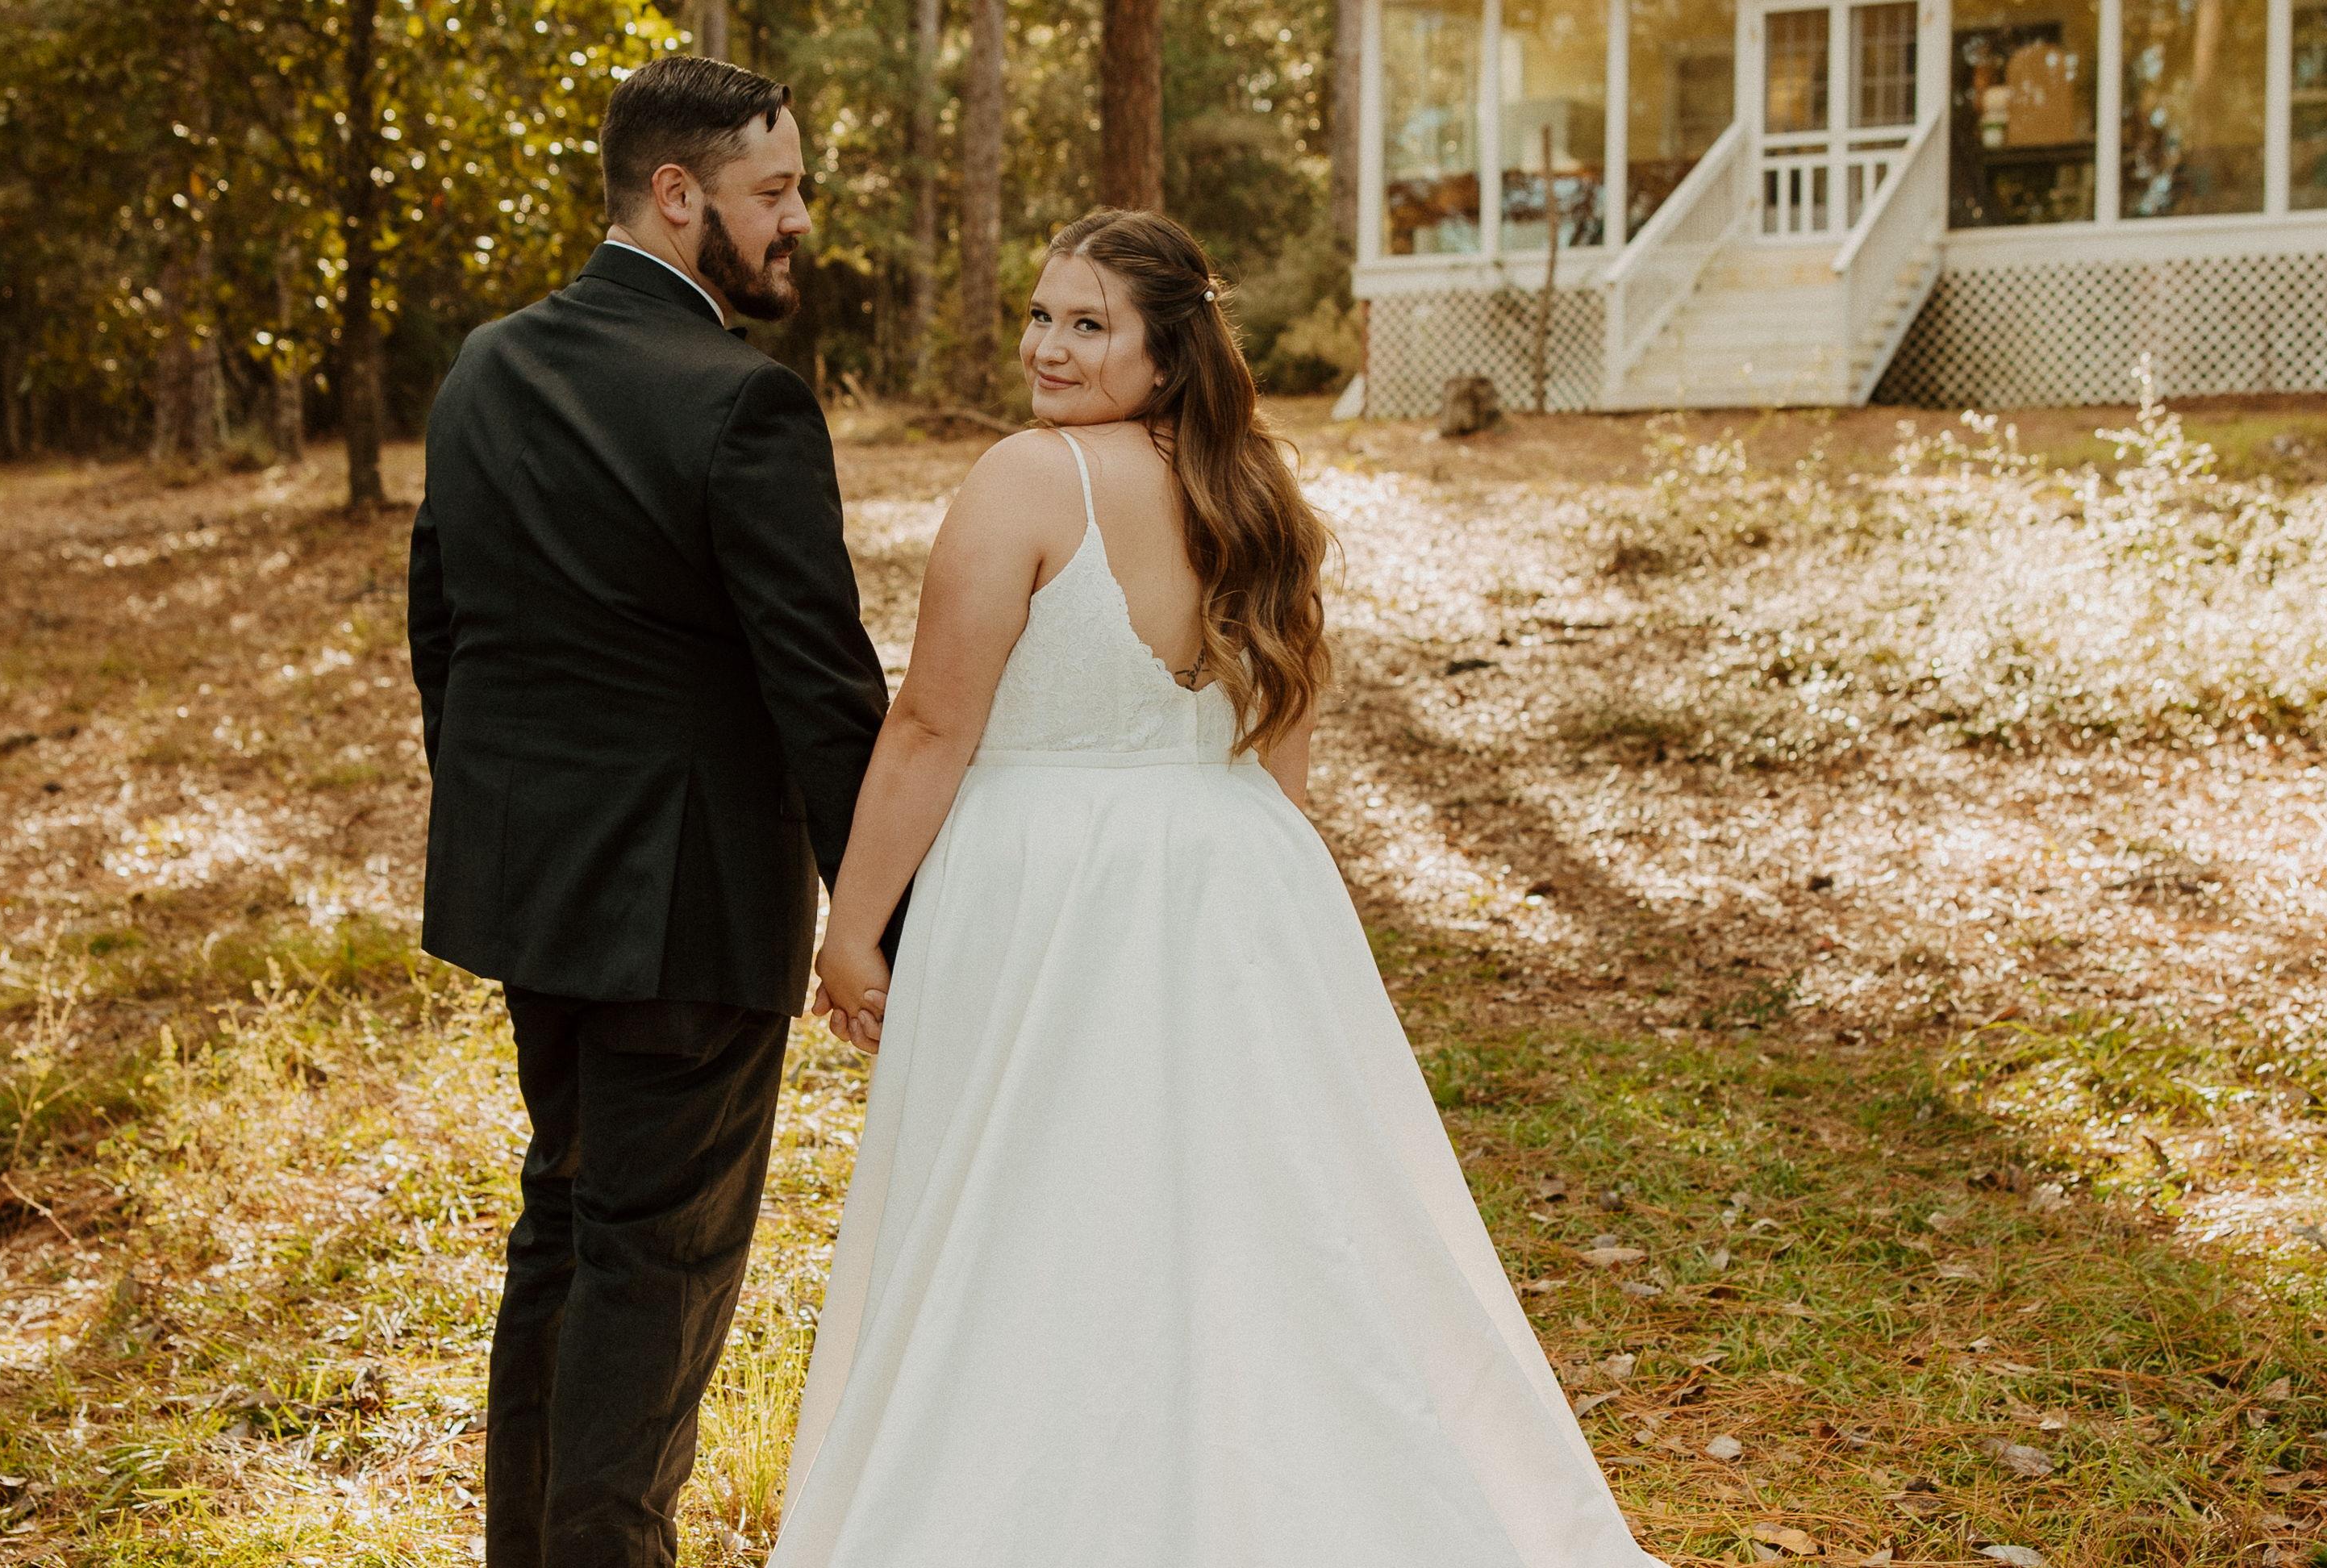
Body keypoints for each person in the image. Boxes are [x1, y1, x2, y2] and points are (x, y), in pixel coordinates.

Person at [772, 208, 1664, 1565]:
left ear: (1168, 350)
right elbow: (1280, 751)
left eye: (1091, 324)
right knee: (1253, 1210)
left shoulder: (1027, 478)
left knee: (1035, 1207)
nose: (1048, 346)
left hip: (1050, 889)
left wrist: (853, 929)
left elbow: (933, 724)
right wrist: (1260, 910)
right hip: (1239, 877)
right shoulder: (1257, 494)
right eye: (1042, 315)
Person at [406, 56, 886, 1568]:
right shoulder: (746, 402)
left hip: (532, 901)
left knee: (563, 1233)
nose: (797, 218)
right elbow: (824, 693)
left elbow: (444, 633)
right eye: (774, 191)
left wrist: (512, 826)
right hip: (691, 915)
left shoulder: (489, 365)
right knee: (654, 1272)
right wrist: (889, 920)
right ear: (678, 196)